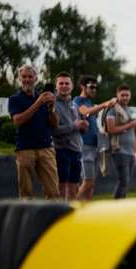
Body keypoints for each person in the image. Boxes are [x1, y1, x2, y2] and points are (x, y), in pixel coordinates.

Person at [8, 65, 60, 199]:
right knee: (26, 193)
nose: (27, 80)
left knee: (53, 192)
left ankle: (52, 219)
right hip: (25, 149)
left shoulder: (44, 98)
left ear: (36, 79)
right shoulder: (15, 99)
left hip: (46, 148)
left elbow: (54, 124)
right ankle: (25, 220)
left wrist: (51, 109)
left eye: (30, 77)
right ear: (19, 79)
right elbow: (17, 121)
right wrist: (38, 103)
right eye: (24, 77)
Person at [74, 75, 117, 200]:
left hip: (94, 146)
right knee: (88, 182)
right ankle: (69, 209)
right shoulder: (78, 100)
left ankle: (86, 213)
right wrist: (104, 104)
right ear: (82, 86)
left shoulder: (89, 102)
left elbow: (92, 118)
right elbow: (84, 112)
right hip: (85, 147)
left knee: (91, 184)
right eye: (91, 87)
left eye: (95, 87)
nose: (94, 90)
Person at [52, 72, 87, 200]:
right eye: (61, 83)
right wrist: (75, 126)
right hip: (61, 151)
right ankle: (59, 216)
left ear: (72, 86)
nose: (64, 86)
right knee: (61, 188)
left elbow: (78, 129)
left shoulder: (75, 105)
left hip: (76, 151)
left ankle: (70, 216)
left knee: (74, 188)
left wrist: (83, 127)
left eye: (67, 83)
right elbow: (53, 131)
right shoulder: (52, 104)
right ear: (56, 86)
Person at [106, 85, 136, 199]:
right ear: (117, 95)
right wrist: (130, 124)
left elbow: (133, 132)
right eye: (122, 95)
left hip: (131, 152)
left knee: (126, 182)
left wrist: (135, 151)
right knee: (123, 180)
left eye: (127, 95)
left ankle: (122, 205)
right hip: (118, 149)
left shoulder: (131, 110)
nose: (125, 97)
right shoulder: (112, 109)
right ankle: (116, 207)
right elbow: (111, 129)